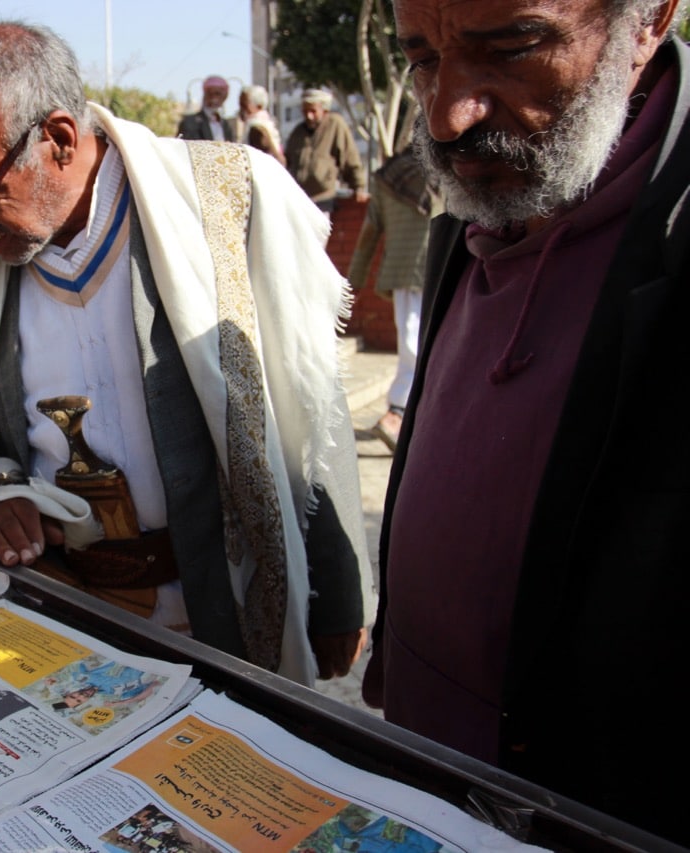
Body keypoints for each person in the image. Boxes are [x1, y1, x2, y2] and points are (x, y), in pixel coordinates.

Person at [0, 21, 374, 685]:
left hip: (224, 611)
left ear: (59, 140)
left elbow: (308, 397)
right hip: (68, 615)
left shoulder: (227, 202)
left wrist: (339, 596)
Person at [363, 0, 690, 842]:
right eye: (421, 59)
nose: (445, 114)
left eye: (508, 47)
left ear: (650, 18)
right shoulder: (483, 205)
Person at [344, 151, 440, 451]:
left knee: (413, 344)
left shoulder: (386, 177)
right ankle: (398, 415)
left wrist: (353, 282)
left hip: (402, 273)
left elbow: (369, 232)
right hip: (440, 267)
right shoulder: (445, 170)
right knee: (424, 349)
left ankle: (406, 417)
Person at [284, 89, 368, 214]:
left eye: (313, 111)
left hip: (324, 199)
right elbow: (287, 162)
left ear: (324, 110)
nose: (309, 116)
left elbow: (350, 157)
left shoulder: (335, 125)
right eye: (305, 111)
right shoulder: (298, 133)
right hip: (300, 201)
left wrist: (358, 186)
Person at [176, 76, 238, 142]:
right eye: (210, 93)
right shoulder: (190, 122)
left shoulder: (226, 125)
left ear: (224, 98)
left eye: (217, 94)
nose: (213, 97)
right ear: (205, 94)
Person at [237, 84, 284, 165]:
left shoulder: (257, 128)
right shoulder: (267, 123)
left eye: (244, 105)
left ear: (259, 106)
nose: (242, 109)